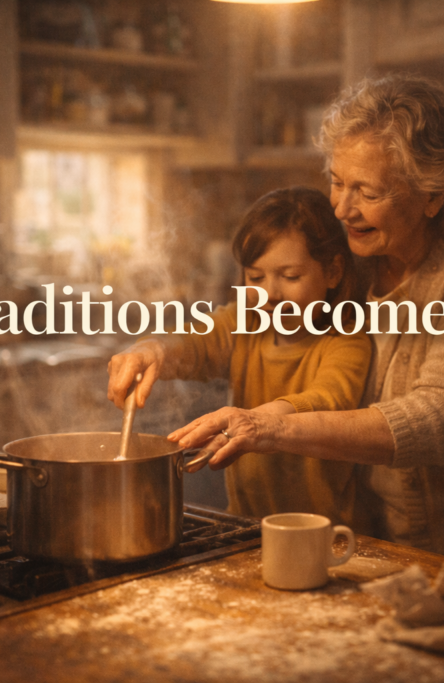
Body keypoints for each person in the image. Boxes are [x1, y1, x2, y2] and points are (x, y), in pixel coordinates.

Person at [155, 74, 444, 587]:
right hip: (392, 541)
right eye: (338, 181)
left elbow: (440, 419)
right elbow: (249, 318)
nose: (342, 208)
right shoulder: (353, 258)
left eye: (368, 190)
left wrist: (272, 428)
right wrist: (161, 351)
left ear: (433, 195)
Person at [107, 186, 372, 524]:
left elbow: (326, 399)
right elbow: (193, 344)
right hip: (246, 524)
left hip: (325, 532)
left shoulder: (346, 339)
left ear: (333, 272)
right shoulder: (244, 322)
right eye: (255, 277)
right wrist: (150, 350)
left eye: (290, 276)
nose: (270, 294)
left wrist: (256, 423)